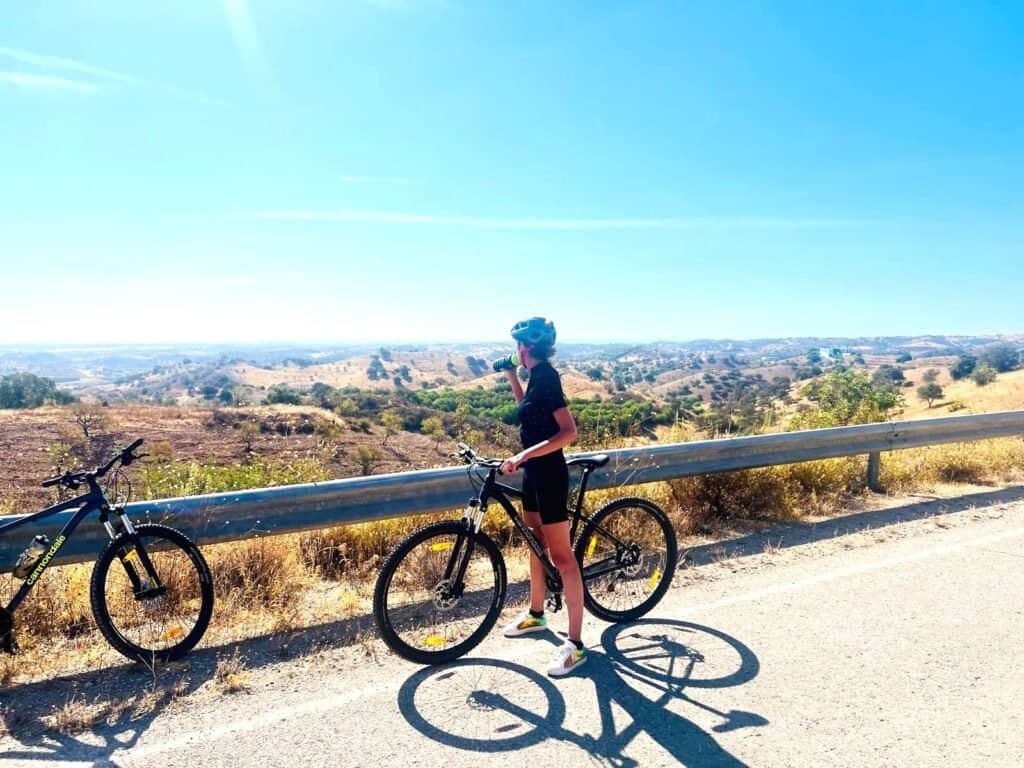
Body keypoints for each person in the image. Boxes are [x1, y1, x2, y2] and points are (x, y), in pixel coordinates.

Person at [498, 316, 587, 677]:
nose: (516, 350)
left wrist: (523, 456)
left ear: (525, 347)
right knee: (536, 543)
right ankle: (537, 614)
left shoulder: (547, 376)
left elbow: (568, 433)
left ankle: (576, 646)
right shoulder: (533, 377)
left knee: (563, 558)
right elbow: (528, 416)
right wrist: (511, 379)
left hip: (549, 475)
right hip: (533, 474)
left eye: (518, 346)